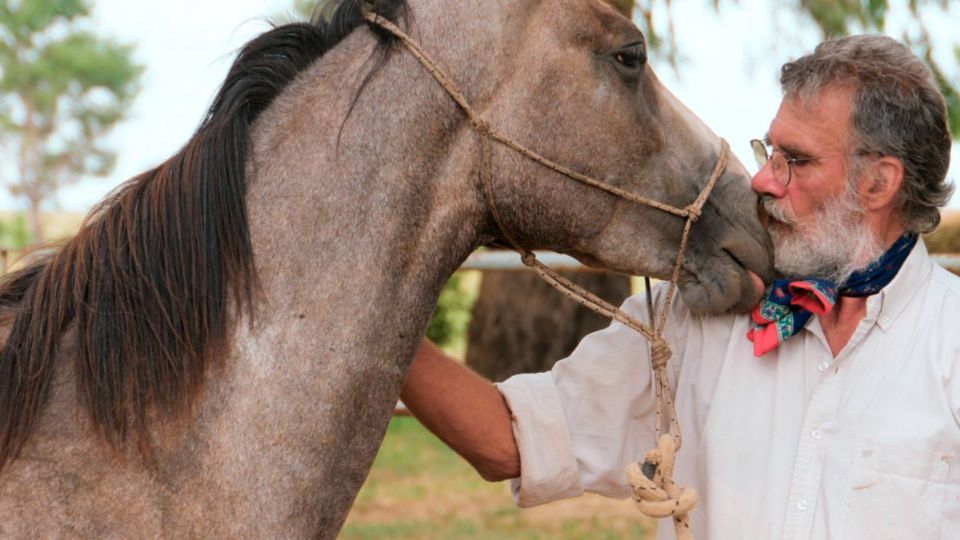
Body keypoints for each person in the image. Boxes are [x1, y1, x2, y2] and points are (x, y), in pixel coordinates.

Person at [400, 35, 959, 539]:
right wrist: (379, 329)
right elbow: (509, 442)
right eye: (771, 152)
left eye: (797, 161)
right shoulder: (698, 316)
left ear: (878, 182)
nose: (763, 179)